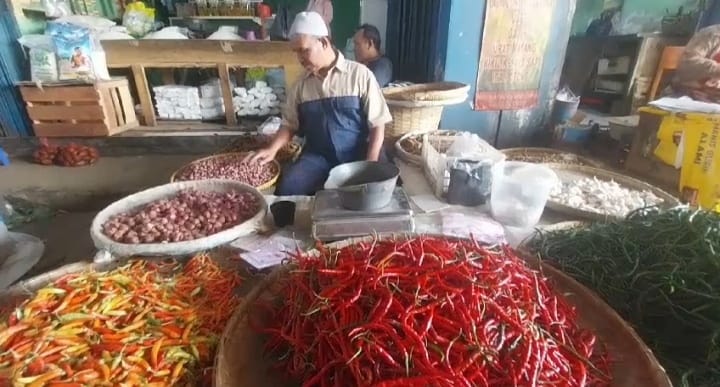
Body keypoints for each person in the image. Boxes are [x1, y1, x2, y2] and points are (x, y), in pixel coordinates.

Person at [248, 11, 392, 196]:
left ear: (324, 43)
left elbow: (378, 124)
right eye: (296, 52)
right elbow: (289, 125)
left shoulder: (359, 75)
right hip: (318, 157)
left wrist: (370, 164)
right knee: (288, 187)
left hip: (357, 152)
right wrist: (272, 149)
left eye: (304, 50)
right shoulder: (300, 85)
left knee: (379, 191)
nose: (300, 58)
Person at [670, 24, 720, 102]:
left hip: (714, 95)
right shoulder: (712, 35)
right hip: (687, 93)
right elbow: (687, 64)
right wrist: (716, 69)